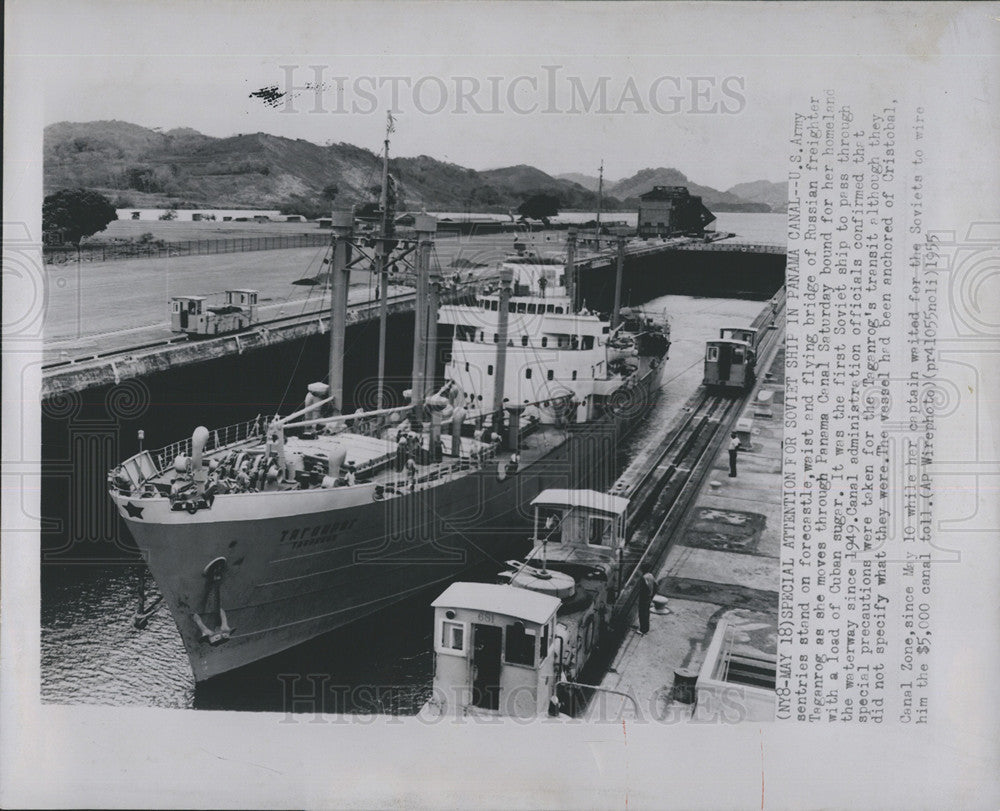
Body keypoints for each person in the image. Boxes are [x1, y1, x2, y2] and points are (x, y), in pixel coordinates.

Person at [638, 562, 657, 635]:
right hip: (649, 597)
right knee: (646, 613)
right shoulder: (651, 575)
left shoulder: (644, 578)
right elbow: (656, 585)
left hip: (644, 598)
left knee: (642, 613)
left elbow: (644, 589)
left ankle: (643, 630)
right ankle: (646, 628)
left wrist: (644, 596)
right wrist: (652, 595)